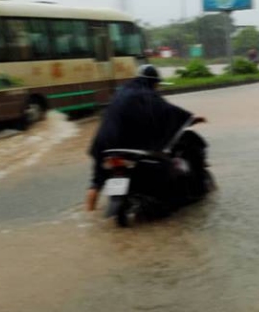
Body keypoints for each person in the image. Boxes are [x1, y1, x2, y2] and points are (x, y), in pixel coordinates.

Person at [85, 64, 206, 211]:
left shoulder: (121, 92)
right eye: (156, 84)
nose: (156, 87)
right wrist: (191, 118)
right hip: (127, 146)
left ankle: (89, 213)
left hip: (104, 145)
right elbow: (168, 112)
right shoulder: (147, 95)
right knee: (163, 164)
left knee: (96, 183)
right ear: (152, 82)